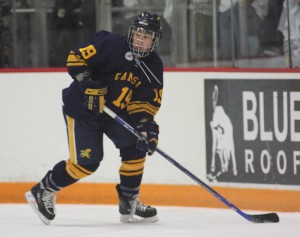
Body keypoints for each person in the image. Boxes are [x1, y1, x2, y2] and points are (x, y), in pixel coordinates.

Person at [25, 11, 164, 225]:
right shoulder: (109, 44)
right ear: (131, 32)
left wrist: (147, 127)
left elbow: (144, 105)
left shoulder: (154, 66)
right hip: (82, 109)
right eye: (138, 34)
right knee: (86, 164)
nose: (140, 40)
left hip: (113, 113)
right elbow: (76, 57)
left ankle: (129, 202)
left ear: (155, 40)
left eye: (146, 37)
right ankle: (43, 189)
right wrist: (87, 83)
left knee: (136, 146)